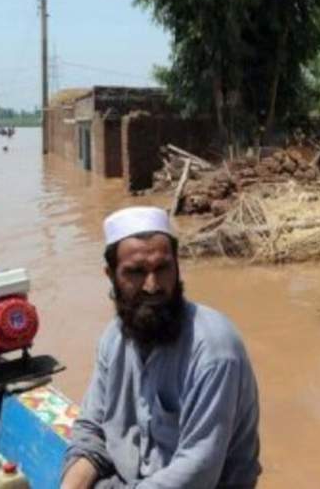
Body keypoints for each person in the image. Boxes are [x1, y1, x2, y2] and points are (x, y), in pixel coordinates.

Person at [61, 206, 261, 489]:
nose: (152, 286)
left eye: (162, 268)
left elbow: (197, 471)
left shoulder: (214, 351)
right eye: (136, 272)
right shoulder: (114, 338)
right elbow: (92, 431)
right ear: (111, 276)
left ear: (177, 266)